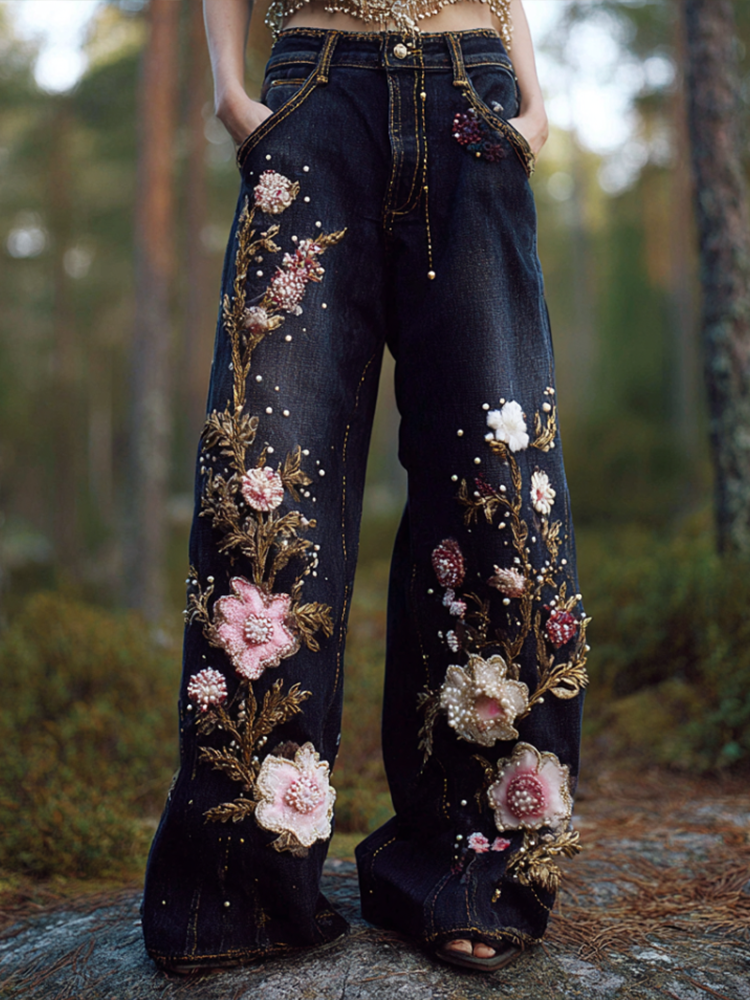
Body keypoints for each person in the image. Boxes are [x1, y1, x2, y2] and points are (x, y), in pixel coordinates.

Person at [142, 0, 589, 975]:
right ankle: (236, 880)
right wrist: (228, 89)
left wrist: (535, 104)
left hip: (473, 93)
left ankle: (473, 866)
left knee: (499, 482)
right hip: (313, 86)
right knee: (268, 482)